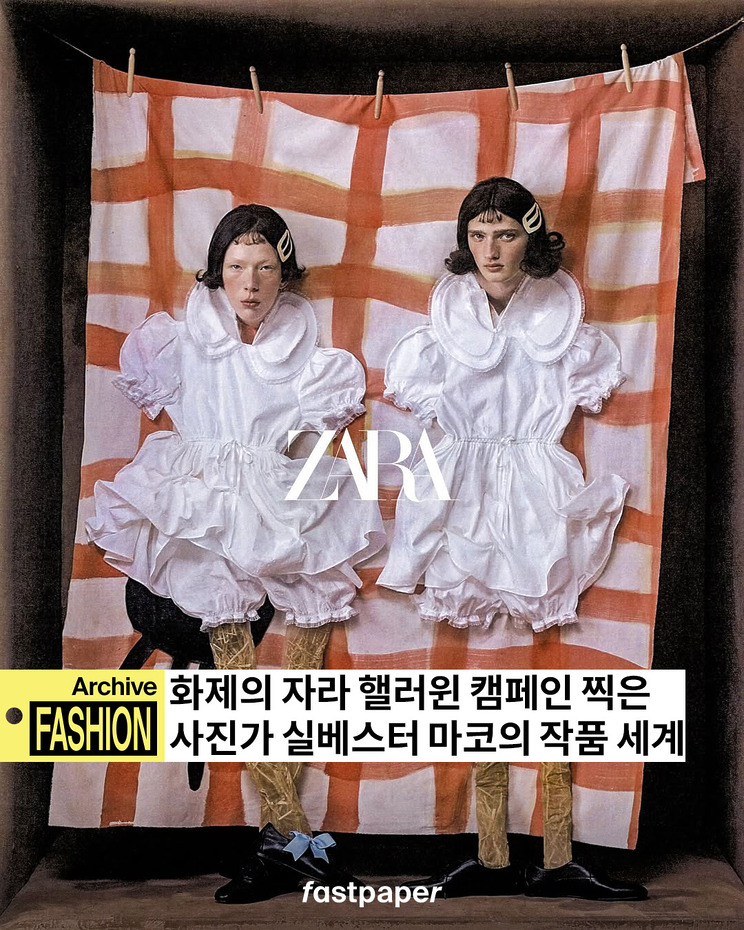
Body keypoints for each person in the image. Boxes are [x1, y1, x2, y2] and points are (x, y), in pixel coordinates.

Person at [86, 204, 385, 904]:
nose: (250, 283)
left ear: (286, 274)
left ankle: (284, 840)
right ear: (217, 271)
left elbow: (309, 431)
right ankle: (291, 838)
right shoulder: (175, 343)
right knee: (238, 675)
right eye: (237, 266)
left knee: (308, 657)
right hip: (205, 500)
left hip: (282, 497)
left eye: (266, 268)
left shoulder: (313, 359)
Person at [378, 177, 647, 900]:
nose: (491, 250)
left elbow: (593, 396)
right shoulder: (440, 333)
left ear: (532, 238)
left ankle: (558, 851)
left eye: (505, 234)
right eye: (478, 235)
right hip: (461, 499)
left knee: (555, 668)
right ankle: (491, 851)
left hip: (539, 497)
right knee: (483, 673)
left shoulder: (565, 329)